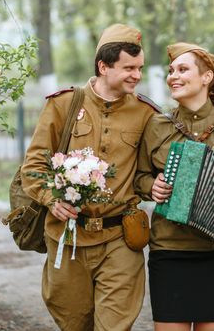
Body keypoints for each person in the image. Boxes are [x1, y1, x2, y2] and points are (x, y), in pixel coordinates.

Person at [20, 24, 159, 331]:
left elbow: (151, 175)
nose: (137, 75)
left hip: (120, 240)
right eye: (129, 68)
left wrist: (155, 187)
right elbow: (33, 166)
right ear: (103, 66)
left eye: (140, 68)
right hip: (67, 239)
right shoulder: (63, 104)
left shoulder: (147, 113)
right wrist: (51, 199)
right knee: (74, 323)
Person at [134, 42, 214, 331]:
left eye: (183, 69)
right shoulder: (157, 125)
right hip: (170, 250)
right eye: (170, 71)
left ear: (207, 77)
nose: (173, 76)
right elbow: (139, 176)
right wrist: (151, 186)